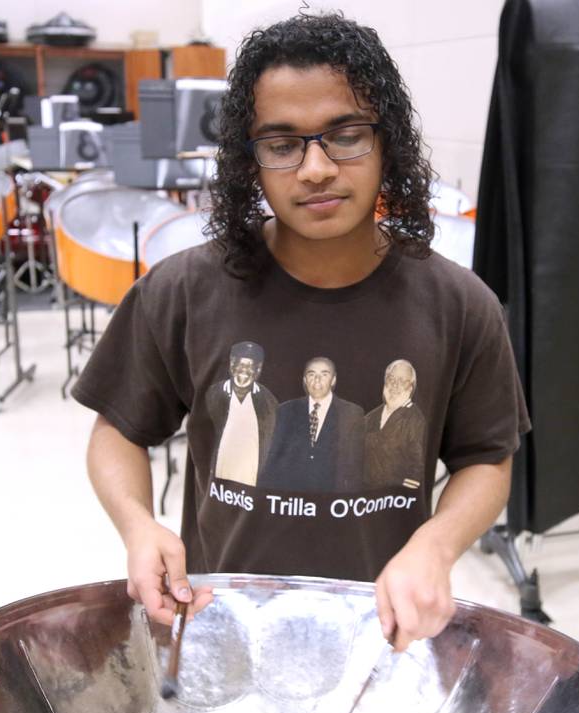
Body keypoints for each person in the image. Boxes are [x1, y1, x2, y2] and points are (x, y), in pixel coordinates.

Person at [72, 12, 530, 653]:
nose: (315, 169)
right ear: (249, 160)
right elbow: (117, 430)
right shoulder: (182, 291)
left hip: (382, 644)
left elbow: (486, 456)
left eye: (345, 136)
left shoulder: (460, 305)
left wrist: (437, 544)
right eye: (283, 144)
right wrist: (138, 526)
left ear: (386, 141)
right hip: (222, 634)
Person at [258, 356, 364, 492]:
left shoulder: (352, 413)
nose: (317, 380)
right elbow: (275, 458)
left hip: (332, 499)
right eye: (311, 374)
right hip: (294, 499)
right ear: (304, 380)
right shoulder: (285, 410)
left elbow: (355, 468)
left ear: (333, 380)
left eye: (324, 374)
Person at [206, 341, 277, 486]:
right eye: (241, 365)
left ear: (258, 371)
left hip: (253, 485)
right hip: (219, 486)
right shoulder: (213, 394)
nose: (245, 371)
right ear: (232, 366)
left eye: (251, 367)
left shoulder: (268, 400)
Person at [364, 359, 426, 490]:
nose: (395, 386)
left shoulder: (415, 420)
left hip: (395, 500)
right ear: (385, 381)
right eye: (391, 379)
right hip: (364, 497)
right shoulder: (370, 417)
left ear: (410, 388)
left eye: (402, 381)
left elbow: (417, 469)